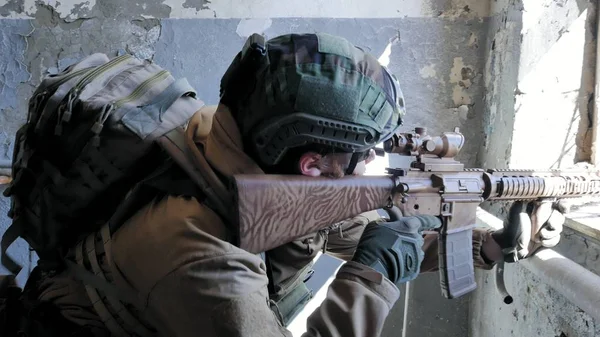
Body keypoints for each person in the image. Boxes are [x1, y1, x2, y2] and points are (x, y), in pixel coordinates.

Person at [31, 32, 565, 337]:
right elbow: (371, 254)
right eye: (359, 159)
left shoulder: (237, 143)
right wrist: (372, 277)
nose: (367, 170)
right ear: (311, 166)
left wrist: (491, 246)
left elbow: (357, 230)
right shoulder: (194, 250)